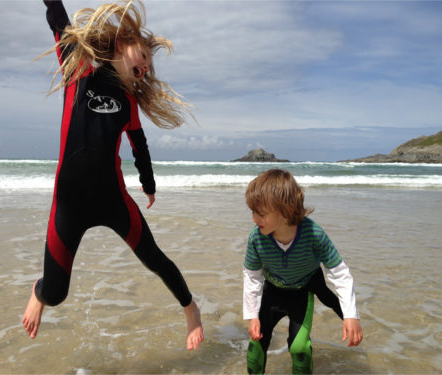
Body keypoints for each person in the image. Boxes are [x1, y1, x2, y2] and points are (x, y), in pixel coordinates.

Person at [22, 0, 203, 351]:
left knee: (155, 259)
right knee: (56, 294)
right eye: (145, 57)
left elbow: (140, 146)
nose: (147, 67)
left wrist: (148, 185)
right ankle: (39, 292)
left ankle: (191, 309)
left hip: (112, 200)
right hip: (69, 205)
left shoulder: (128, 101)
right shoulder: (78, 70)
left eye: (151, 63)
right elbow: (58, 20)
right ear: (122, 45)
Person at [243, 169, 363, 374]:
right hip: (272, 292)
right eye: (252, 212)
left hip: (303, 291)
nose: (254, 219)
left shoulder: (314, 234)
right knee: (255, 348)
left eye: (260, 213)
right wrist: (252, 315)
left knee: (299, 349)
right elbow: (252, 276)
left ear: (286, 210)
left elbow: (340, 272)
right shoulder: (257, 238)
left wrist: (350, 315)